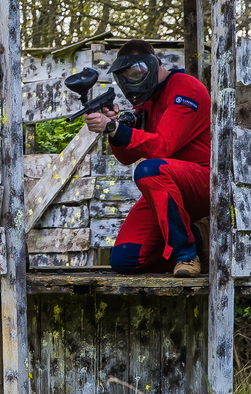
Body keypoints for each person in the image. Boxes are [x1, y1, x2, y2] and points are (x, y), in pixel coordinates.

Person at [84, 39, 212, 277]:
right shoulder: (148, 101)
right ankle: (201, 242)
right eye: (124, 77)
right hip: (165, 192)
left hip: (202, 183)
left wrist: (114, 127)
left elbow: (162, 147)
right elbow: (126, 157)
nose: (130, 82)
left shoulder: (185, 88)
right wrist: (114, 129)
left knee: (149, 170)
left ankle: (187, 254)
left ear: (152, 65)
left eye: (135, 73)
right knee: (124, 260)